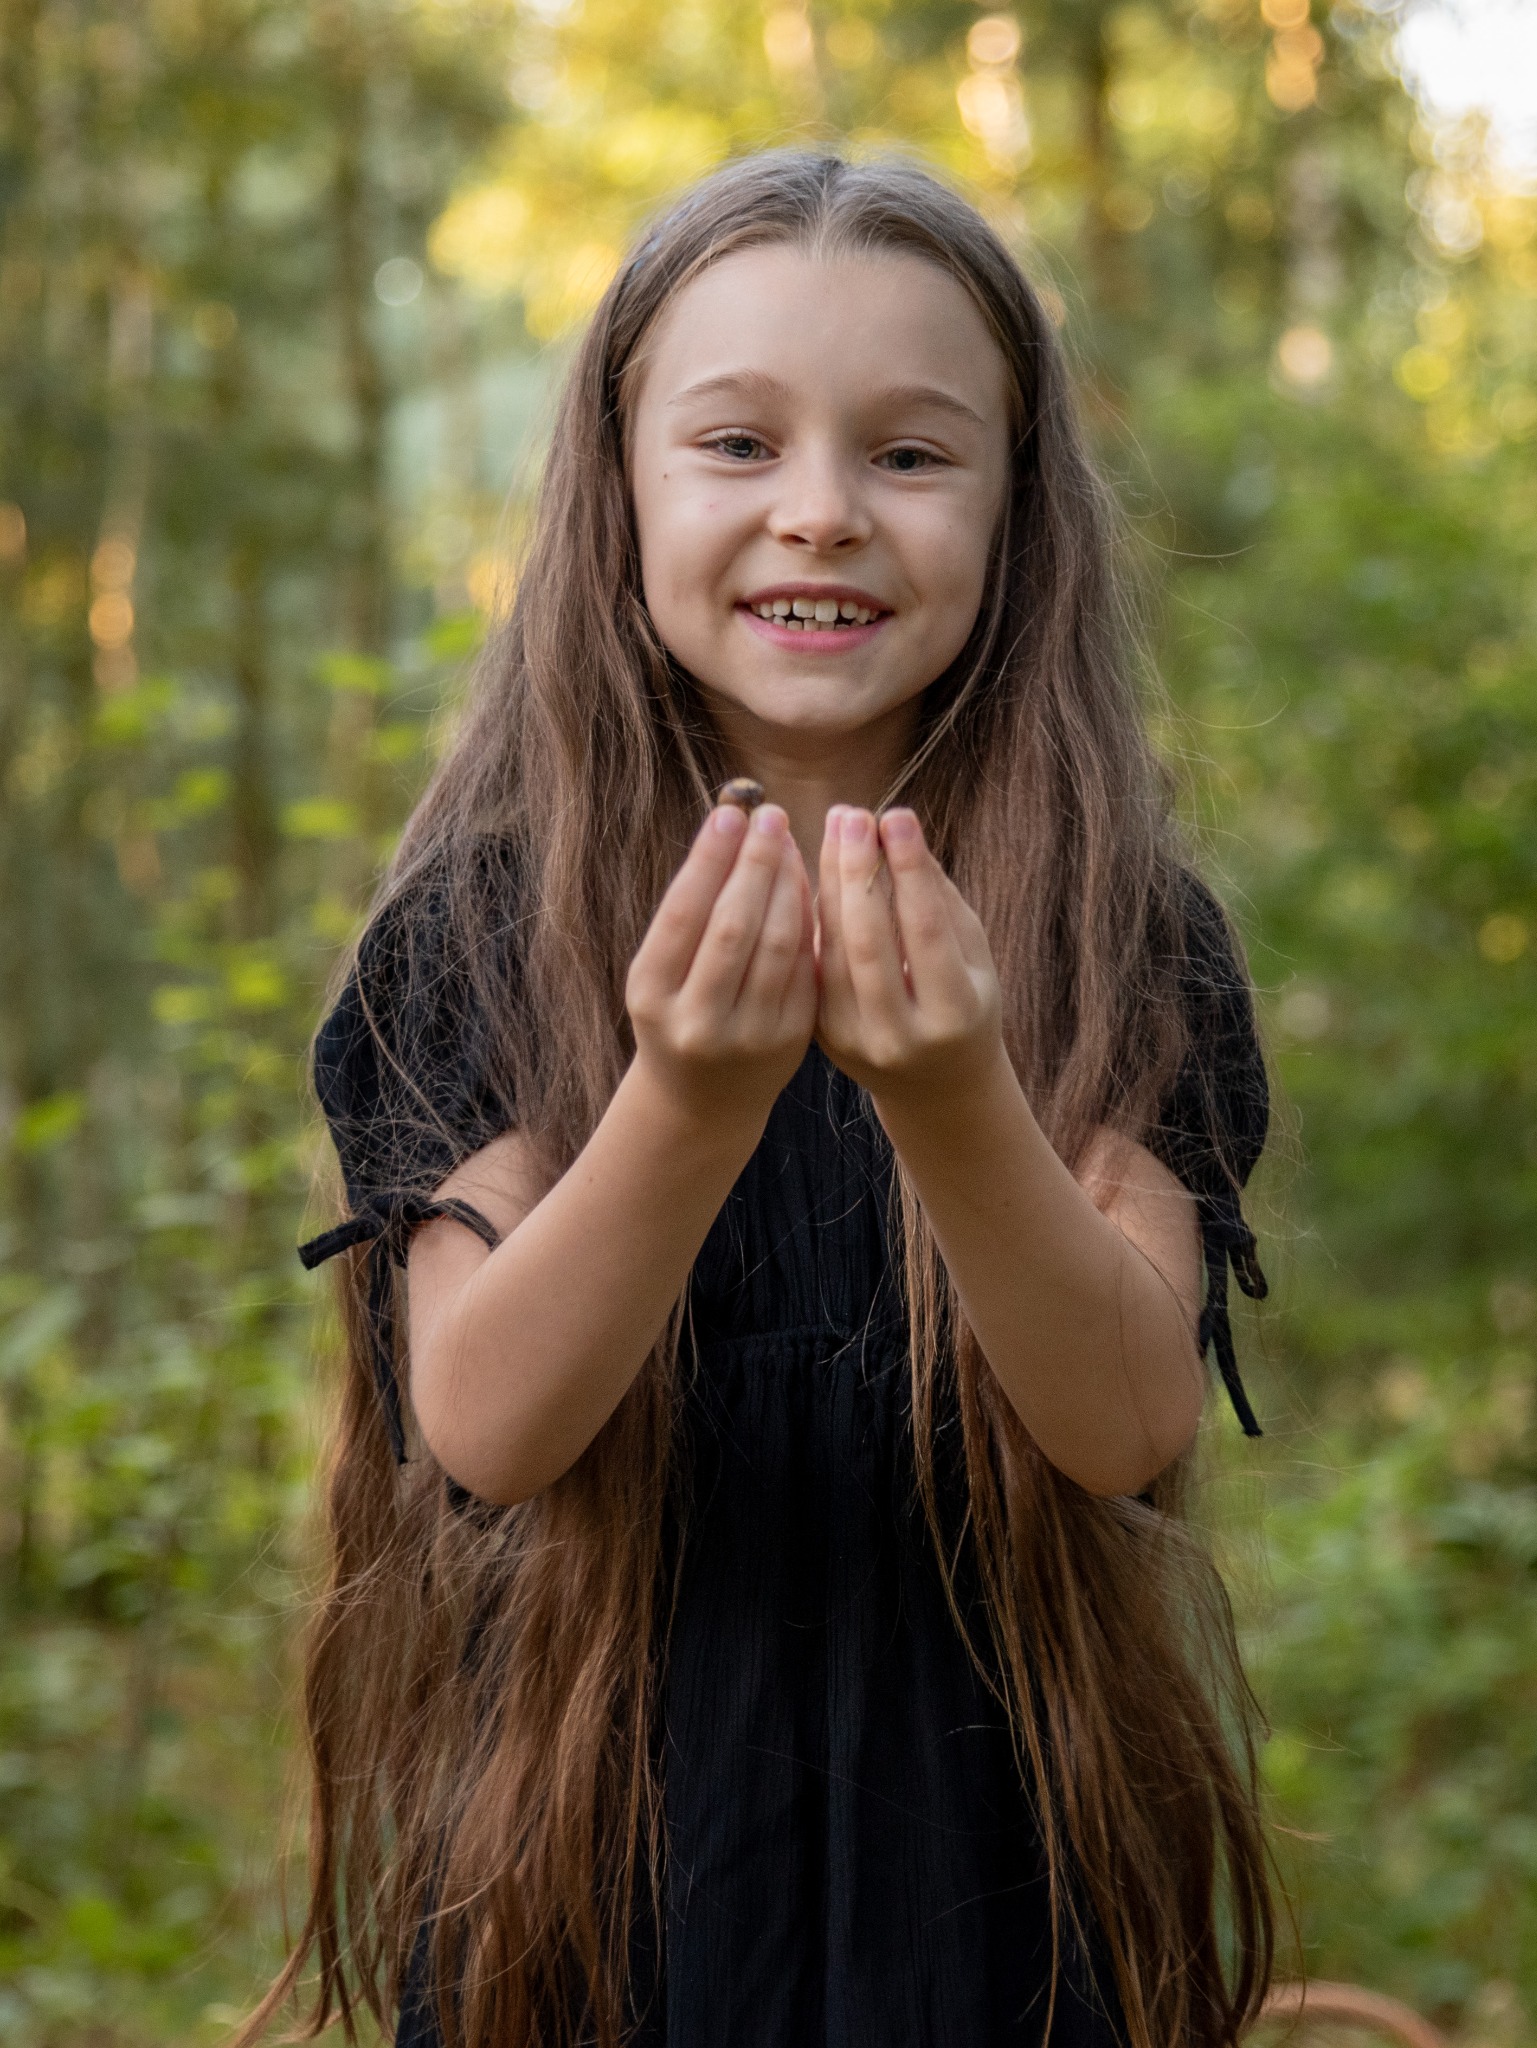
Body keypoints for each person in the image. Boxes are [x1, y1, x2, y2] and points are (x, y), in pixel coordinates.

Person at [243, 151, 1275, 2048]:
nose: (821, 514)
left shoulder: (1109, 927)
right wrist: (687, 1103)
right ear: (618, 486)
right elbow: (485, 1422)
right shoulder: (483, 920)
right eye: (735, 444)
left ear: (1015, 510)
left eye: (908, 454)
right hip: (582, 1915)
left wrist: (954, 1094)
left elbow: (1125, 1422)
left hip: (1002, 1916)